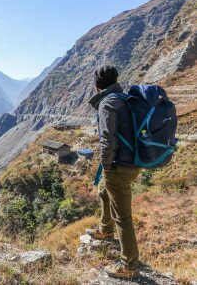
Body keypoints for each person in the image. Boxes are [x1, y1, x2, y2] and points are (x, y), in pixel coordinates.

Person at [88, 65, 141, 279]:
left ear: (97, 84)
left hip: (119, 166)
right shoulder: (123, 98)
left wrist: (106, 165)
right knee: (103, 191)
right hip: (130, 162)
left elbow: (107, 139)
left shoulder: (107, 102)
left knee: (124, 218)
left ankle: (129, 265)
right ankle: (105, 228)